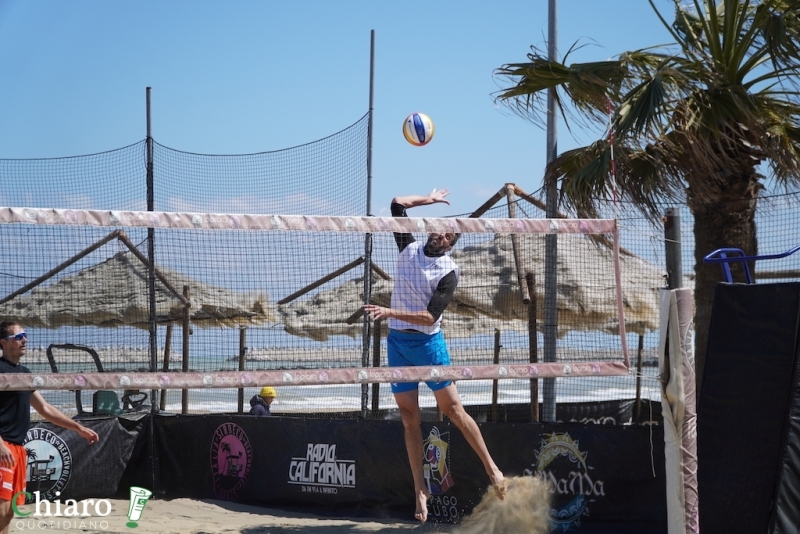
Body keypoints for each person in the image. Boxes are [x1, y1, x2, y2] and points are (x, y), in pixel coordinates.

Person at [364, 189, 505, 523]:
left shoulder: (449, 271)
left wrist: (389, 310)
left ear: (452, 242)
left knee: (453, 409)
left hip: (428, 345)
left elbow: (430, 317)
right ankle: (420, 490)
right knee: (409, 418)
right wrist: (428, 199)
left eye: (449, 233)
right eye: (440, 228)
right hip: (398, 344)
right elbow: (396, 202)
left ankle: (493, 469)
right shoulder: (408, 246)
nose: (441, 233)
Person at [0, 321, 99, 534]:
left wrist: (77, 428)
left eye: (24, 336)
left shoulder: (24, 373)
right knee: (1, 509)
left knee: (9, 512)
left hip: (16, 448)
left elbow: (44, 408)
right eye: (19, 337)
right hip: (2, 447)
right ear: (4, 342)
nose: (25, 340)